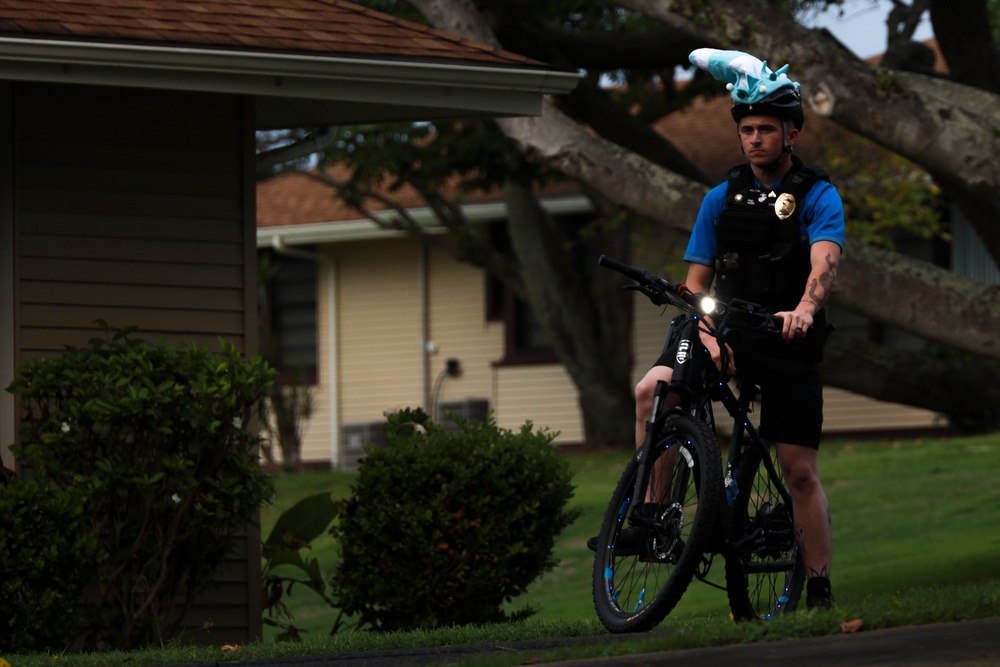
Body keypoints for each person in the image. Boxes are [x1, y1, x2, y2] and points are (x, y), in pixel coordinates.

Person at [606, 49, 843, 611]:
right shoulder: (719, 199)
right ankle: (654, 514)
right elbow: (695, 283)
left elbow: (825, 264)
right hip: (726, 327)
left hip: (788, 335)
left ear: (790, 133)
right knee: (652, 392)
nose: (755, 138)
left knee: (800, 471)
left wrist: (806, 308)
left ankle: (818, 588)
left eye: (766, 129)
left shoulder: (817, 194)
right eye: (747, 129)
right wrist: (706, 325)